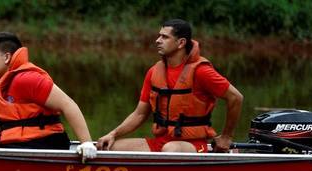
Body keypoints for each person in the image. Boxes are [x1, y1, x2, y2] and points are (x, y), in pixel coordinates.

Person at [97, 19, 243, 153]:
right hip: (161, 143)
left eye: (164, 37)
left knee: (170, 149)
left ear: (181, 43)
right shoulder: (154, 72)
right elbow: (140, 114)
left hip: (194, 145)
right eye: (159, 36)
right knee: (108, 147)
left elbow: (235, 97)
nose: (157, 40)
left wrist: (226, 136)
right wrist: (113, 134)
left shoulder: (201, 71)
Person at [0, 32, 97, 161]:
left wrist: (86, 143)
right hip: (11, 145)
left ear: (7, 57)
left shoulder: (28, 79)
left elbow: (68, 104)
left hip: (40, 144)